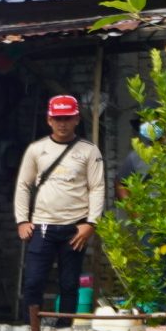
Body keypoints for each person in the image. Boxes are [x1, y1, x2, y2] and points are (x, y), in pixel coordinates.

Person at [12, 95, 106, 317]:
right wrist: (22, 220)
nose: (62, 123)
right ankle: (30, 330)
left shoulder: (89, 151)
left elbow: (98, 187)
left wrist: (91, 223)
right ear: (49, 120)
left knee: (69, 284)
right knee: (33, 282)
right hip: (42, 226)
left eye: (67, 118)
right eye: (57, 118)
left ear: (76, 119)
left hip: (75, 228)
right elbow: (23, 185)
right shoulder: (37, 149)